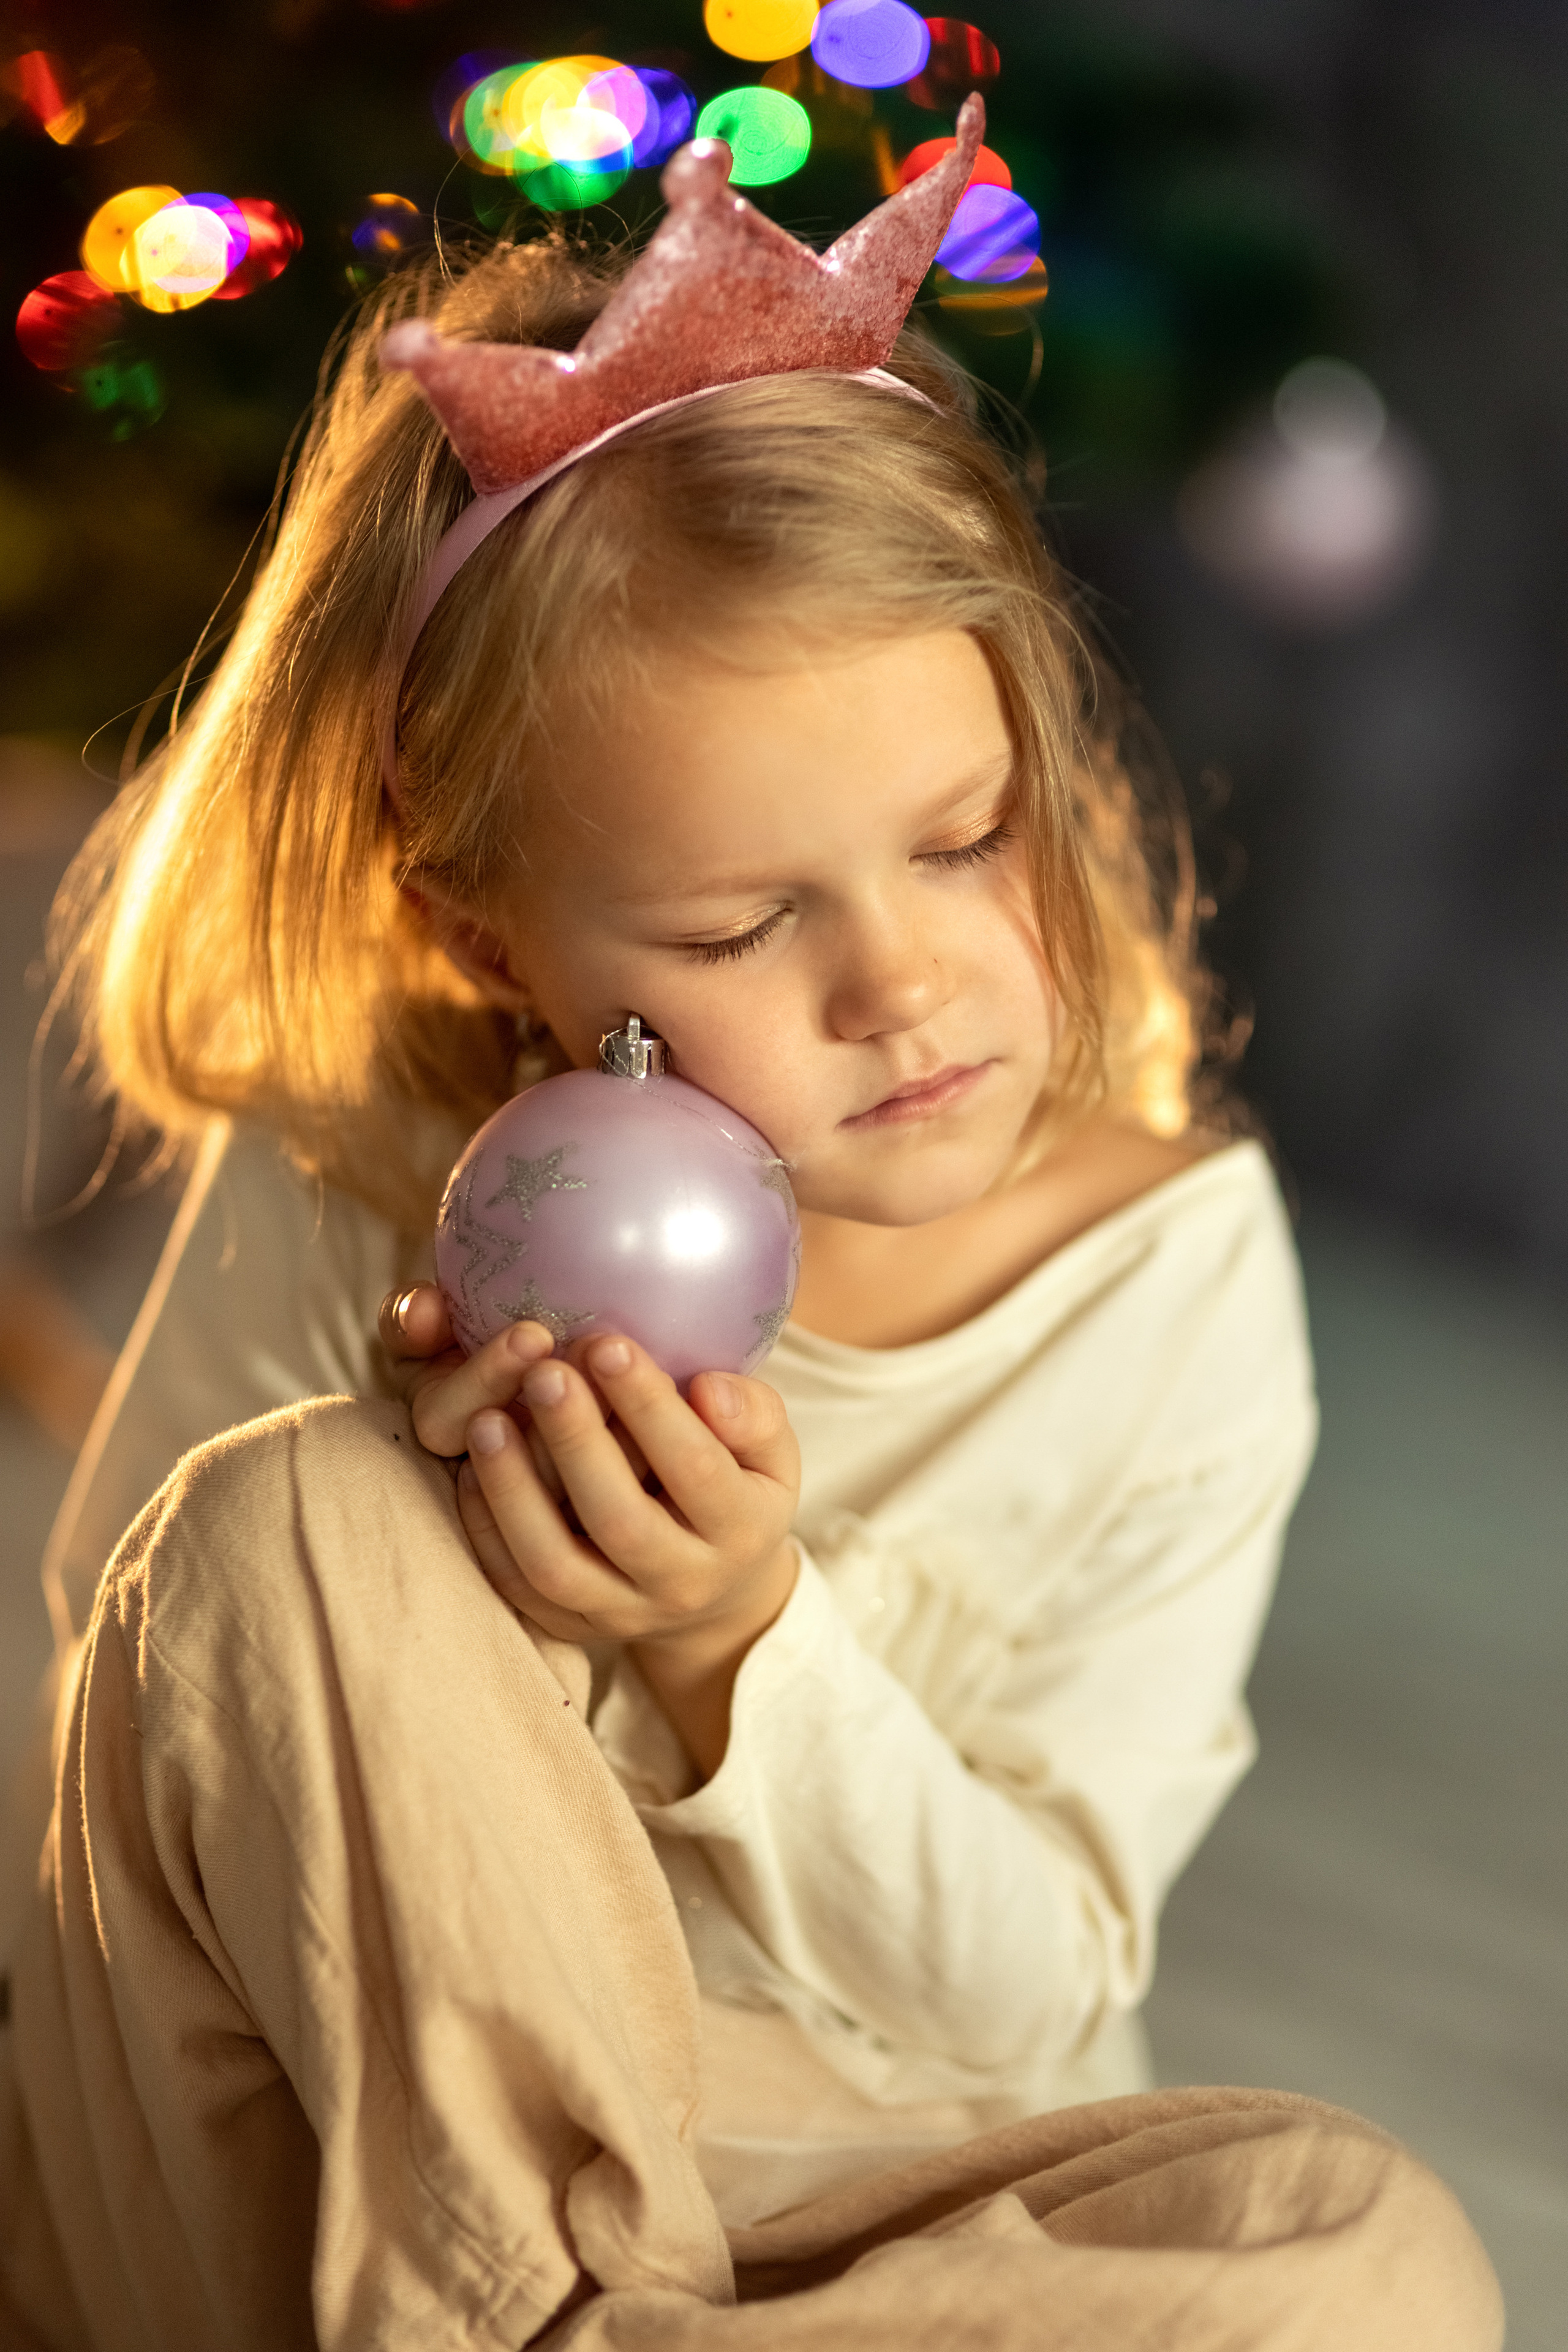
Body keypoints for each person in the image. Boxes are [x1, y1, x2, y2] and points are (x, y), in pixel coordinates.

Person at [0, 104, 1501, 2351]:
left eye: (963, 837)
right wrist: (450, 1559)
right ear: (486, 929)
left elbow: (1025, 2005)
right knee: (288, 1521)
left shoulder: (1169, 1280)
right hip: (312, 2191)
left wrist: (733, 1640)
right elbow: (159, 1749)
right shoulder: (361, 1170)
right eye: (739, 923)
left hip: (825, 2198)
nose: (901, 986)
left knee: (1368, 2246)